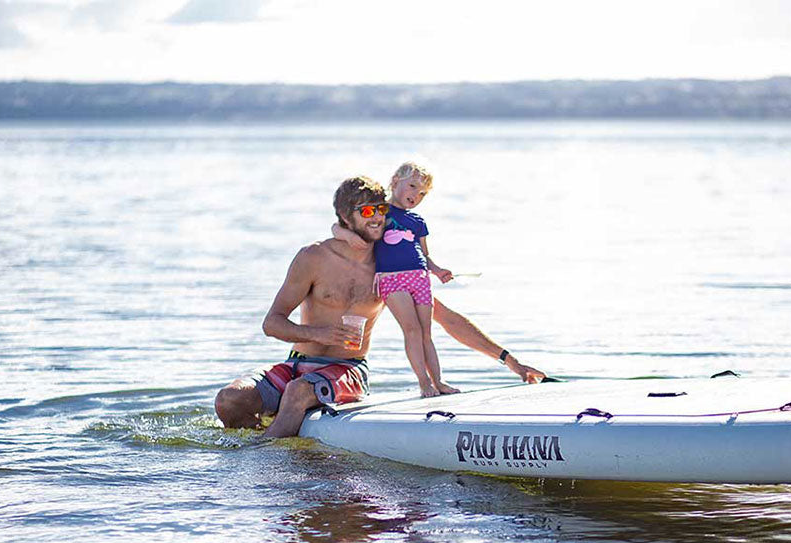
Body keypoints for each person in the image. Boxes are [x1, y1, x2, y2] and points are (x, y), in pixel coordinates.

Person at [214, 175, 546, 439]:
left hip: (348, 370)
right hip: (297, 363)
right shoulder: (313, 258)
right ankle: (274, 440)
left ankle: (260, 458)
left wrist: (511, 362)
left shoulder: (389, 266)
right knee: (228, 400)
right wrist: (318, 332)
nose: (378, 218)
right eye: (368, 211)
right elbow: (272, 323)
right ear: (346, 217)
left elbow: (446, 319)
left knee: (298, 393)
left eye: (382, 210)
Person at [333, 162, 456, 398]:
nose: (416, 195)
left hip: (420, 277)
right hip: (392, 279)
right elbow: (337, 227)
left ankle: (438, 381)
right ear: (395, 181)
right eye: (412, 186)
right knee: (411, 330)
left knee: (426, 333)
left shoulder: (418, 221)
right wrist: (348, 236)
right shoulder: (380, 211)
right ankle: (424, 384)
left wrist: (438, 270)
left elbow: (424, 254)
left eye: (422, 193)